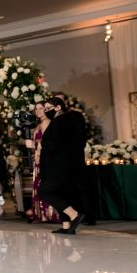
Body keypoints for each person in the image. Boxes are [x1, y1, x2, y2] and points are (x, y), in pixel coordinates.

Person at [38, 97, 85, 234]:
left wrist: (41, 145)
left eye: (48, 108)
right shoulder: (65, 121)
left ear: (58, 107)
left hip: (58, 167)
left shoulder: (61, 121)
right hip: (64, 166)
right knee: (61, 194)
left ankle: (74, 215)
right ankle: (66, 226)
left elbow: (56, 143)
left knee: (44, 191)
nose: (46, 111)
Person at [53, 92, 94, 225]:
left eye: (59, 101)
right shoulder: (53, 118)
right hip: (61, 160)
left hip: (74, 157)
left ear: (64, 103)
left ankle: (88, 216)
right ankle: (73, 215)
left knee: (80, 186)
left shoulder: (74, 115)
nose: (57, 104)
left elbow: (81, 136)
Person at [25, 102, 58, 223]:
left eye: (41, 108)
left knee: (43, 185)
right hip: (38, 158)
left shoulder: (46, 122)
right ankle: (40, 213)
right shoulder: (39, 124)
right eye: (36, 109)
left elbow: (45, 143)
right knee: (38, 184)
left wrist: (33, 145)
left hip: (43, 159)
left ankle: (48, 214)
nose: (38, 111)